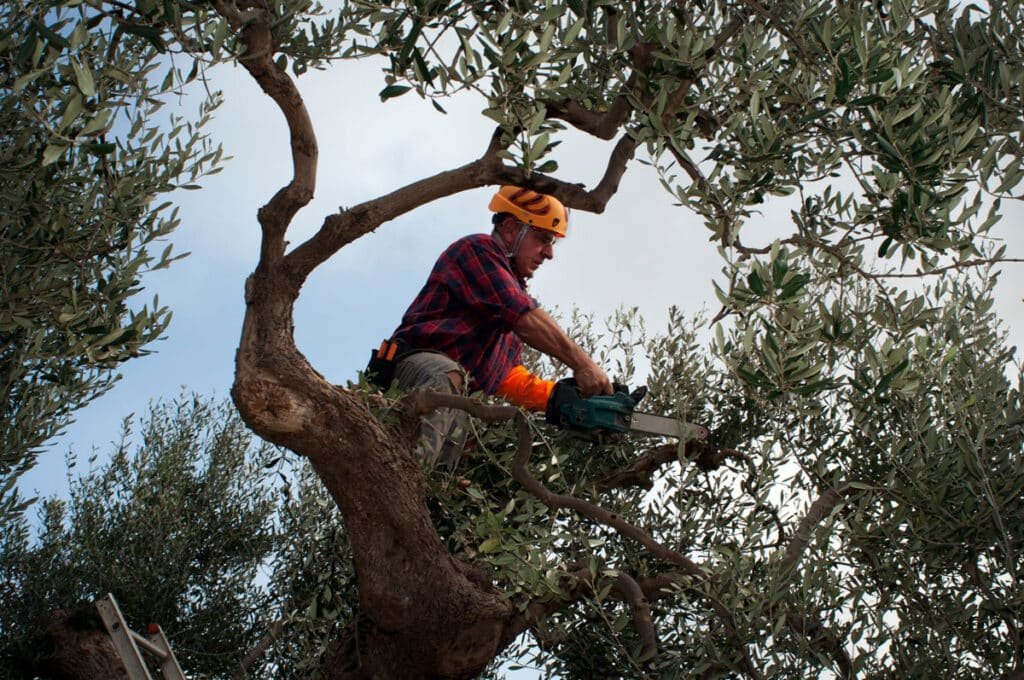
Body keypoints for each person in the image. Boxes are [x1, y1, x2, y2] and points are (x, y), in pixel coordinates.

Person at [374, 185, 613, 469]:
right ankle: (404, 481)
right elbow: (523, 315)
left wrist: (561, 397)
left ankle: (426, 497)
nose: (548, 253)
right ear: (511, 228)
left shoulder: (509, 312)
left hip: (451, 398)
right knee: (446, 376)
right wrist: (584, 365)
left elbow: (506, 378)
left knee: (465, 437)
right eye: (543, 239)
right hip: (411, 373)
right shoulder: (477, 251)